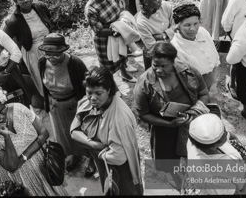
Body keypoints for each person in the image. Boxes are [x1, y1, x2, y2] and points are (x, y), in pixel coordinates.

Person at [133, 42, 209, 189]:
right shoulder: (144, 83)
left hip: (192, 124)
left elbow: (204, 93)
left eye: (164, 66)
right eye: (155, 65)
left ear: (173, 62)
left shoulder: (190, 72)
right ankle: (179, 183)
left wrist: (195, 111)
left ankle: (195, 180)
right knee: (170, 162)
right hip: (165, 130)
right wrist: (169, 124)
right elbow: (142, 114)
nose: (159, 70)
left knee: (194, 156)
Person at [0, 84, 68, 196]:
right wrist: (6, 137)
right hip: (20, 177)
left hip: (42, 163)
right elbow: (12, 166)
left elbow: (44, 133)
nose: (1, 117)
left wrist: (23, 158)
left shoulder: (19, 108)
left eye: (3, 110)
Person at [70, 67, 143, 195]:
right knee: (109, 188)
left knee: (124, 190)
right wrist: (94, 145)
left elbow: (118, 158)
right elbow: (73, 131)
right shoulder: (88, 103)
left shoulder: (120, 119)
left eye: (98, 93)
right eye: (89, 92)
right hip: (103, 159)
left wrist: (91, 146)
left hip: (120, 167)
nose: (92, 98)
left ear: (109, 90)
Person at [38, 33, 92, 174]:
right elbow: (44, 87)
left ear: (63, 51)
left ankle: (92, 158)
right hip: (56, 106)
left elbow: (88, 87)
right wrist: (49, 102)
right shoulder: (42, 62)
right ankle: (75, 154)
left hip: (76, 105)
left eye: (56, 54)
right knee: (66, 136)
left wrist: (84, 107)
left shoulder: (75, 63)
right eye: (48, 54)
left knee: (84, 132)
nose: (51, 57)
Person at [186, 114, 246, 195]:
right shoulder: (211, 176)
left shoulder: (196, 138)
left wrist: (238, 148)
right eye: (223, 132)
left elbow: (229, 135)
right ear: (213, 147)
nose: (226, 132)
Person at [3, 0, 56, 102]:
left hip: (52, 47)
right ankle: (50, 101)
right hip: (33, 52)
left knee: (58, 73)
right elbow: (4, 39)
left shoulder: (40, 7)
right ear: (16, 2)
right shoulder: (13, 20)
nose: (25, 0)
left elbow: (49, 21)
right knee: (43, 78)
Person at [85, 0, 138, 83]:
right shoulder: (91, 9)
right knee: (108, 64)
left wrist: (123, 23)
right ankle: (111, 85)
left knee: (121, 55)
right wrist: (116, 32)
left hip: (118, 30)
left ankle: (124, 74)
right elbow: (99, 30)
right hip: (104, 38)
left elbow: (119, 5)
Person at [170, 4, 220, 89]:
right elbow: (185, 79)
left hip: (210, 80)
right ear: (178, 26)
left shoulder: (202, 32)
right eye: (187, 25)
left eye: (196, 23)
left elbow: (215, 58)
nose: (192, 29)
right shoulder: (176, 48)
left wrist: (214, 82)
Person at [135, 0, 175, 70]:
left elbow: (175, 25)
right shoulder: (141, 22)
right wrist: (170, 34)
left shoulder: (166, 6)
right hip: (155, 55)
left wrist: (162, 36)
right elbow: (152, 46)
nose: (160, 0)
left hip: (173, 46)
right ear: (146, 2)